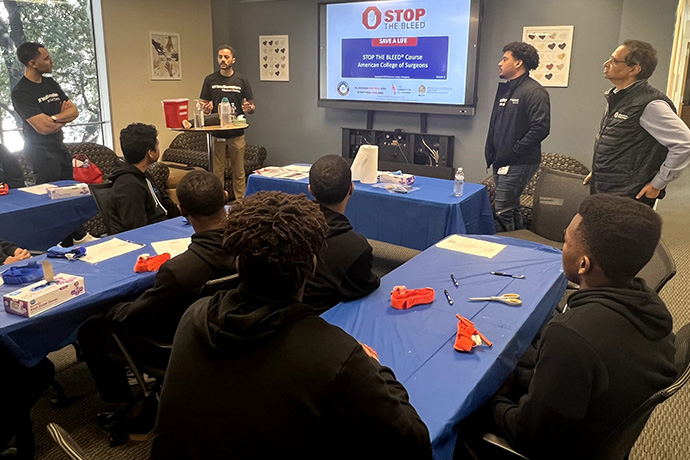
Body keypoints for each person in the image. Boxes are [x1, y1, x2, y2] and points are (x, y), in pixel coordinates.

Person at [151, 191, 431, 459]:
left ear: (238, 264)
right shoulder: (337, 356)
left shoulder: (194, 315)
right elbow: (413, 441)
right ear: (312, 267)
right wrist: (374, 367)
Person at [488, 194, 676, 459]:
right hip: (594, 415)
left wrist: (494, 400)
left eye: (566, 241)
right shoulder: (648, 303)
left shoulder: (571, 336)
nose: (563, 246)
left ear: (583, 264)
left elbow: (528, 434)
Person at [78, 170, 236, 438]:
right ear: (224, 197)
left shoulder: (179, 270)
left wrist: (109, 308)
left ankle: (131, 408)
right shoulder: (249, 246)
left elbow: (133, 316)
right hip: (227, 331)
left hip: (173, 344)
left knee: (91, 328)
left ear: (181, 210)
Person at [585, 40, 690, 207]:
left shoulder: (650, 104)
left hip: (628, 194)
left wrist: (658, 183)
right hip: (608, 186)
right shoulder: (618, 97)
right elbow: (621, 144)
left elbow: (684, 143)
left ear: (633, 69)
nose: (606, 64)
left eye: (614, 61)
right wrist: (600, 172)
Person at [485, 41, 550, 231]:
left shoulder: (534, 91)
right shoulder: (506, 89)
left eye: (505, 59)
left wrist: (513, 151)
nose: (500, 63)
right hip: (501, 160)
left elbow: (541, 128)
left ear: (518, 63)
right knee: (510, 208)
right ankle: (519, 241)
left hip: (519, 161)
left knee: (502, 210)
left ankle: (504, 245)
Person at [302, 155, 379, 312]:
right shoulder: (356, 248)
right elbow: (365, 286)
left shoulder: (284, 231)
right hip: (320, 320)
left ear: (310, 189)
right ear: (351, 189)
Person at [11, 42, 78, 184]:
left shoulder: (50, 83)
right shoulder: (21, 92)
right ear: (33, 63)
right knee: (51, 194)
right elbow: (44, 128)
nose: (51, 61)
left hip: (59, 147)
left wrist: (52, 119)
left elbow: (74, 111)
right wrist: (64, 118)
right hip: (40, 152)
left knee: (70, 191)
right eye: (46, 58)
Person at [199, 44, 255, 200]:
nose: (223, 60)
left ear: (233, 60)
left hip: (236, 132)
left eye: (226, 57)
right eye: (220, 57)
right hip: (217, 133)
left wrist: (249, 108)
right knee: (217, 173)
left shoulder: (241, 80)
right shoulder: (210, 79)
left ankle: (241, 204)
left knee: (239, 172)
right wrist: (206, 109)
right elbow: (203, 105)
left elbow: (251, 106)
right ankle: (218, 202)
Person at [108, 123, 179, 234]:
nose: (158, 148)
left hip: (161, 229)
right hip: (146, 237)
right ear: (150, 153)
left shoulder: (144, 175)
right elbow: (137, 229)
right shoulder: (129, 185)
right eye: (157, 145)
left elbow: (170, 208)